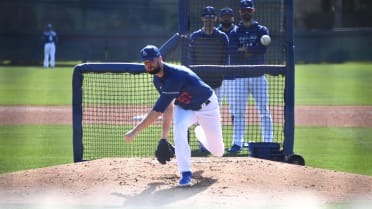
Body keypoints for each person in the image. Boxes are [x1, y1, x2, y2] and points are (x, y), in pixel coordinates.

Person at [124, 45, 225, 186]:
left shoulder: (175, 75)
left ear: (160, 58)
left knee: (218, 151)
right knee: (179, 126)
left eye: (151, 61)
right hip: (185, 108)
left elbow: (157, 110)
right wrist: (164, 138)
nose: (149, 65)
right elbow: (167, 107)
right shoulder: (157, 80)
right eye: (146, 63)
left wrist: (134, 132)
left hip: (207, 107)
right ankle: (185, 173)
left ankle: (200, 131)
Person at [227, 0, 274, 153]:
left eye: (248, 9)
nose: (246, 12)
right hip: (240, 77)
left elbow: (263, 50)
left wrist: (244, 50)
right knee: (239, 111)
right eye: (243, 10)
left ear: (253, 11)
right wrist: (250, 50)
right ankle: (238, 143)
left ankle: (268, 141)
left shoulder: (261, 29)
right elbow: (233, 52)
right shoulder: (235, 31)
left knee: (264, 110)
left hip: (258, 76)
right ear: (240, 12)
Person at [188, 6, 229, 153]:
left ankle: (214, 145)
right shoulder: (195, 36)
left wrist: (222, 73)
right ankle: (203, 146)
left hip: (217, 82)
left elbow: (225, 59)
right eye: (207, 16)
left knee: (214, 115)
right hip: (199, 83)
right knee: (199, 113)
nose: (209, 19)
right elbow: (191, 59)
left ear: (215, 19)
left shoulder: (222, 37)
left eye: (212, 16)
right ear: (202, 18)